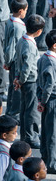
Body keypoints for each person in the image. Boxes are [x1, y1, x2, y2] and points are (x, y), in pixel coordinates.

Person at [14, 13, 45, 147]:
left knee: (25, 108)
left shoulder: (22, 40)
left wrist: (17, 78)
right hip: (30, 80)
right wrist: (21, 80)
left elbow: (17, 60)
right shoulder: (31, 46)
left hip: (23, 79)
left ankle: (25, 134)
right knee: (31, 111)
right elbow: (27, 66)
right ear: (39, 31)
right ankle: (31, 136)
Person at [4, 0, 28, 120]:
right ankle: (13, 113)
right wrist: (8, 61)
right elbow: (12, 46)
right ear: (20, 11)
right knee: (16, 86)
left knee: (12, 86)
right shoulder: (18, 26)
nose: (26, 12)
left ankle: (9, 110)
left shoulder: (9, 21)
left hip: (11, 59)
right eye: (25, 10)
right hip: (15, 60)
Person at [37, 29, 56, 173]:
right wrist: (43, 102)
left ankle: (46, 157)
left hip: (46, 99)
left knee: (47, 130)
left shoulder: (43, 58)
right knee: (52, 133)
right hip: (52, 100)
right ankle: (52, 163)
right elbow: (49, 85)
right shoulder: (51, 61)